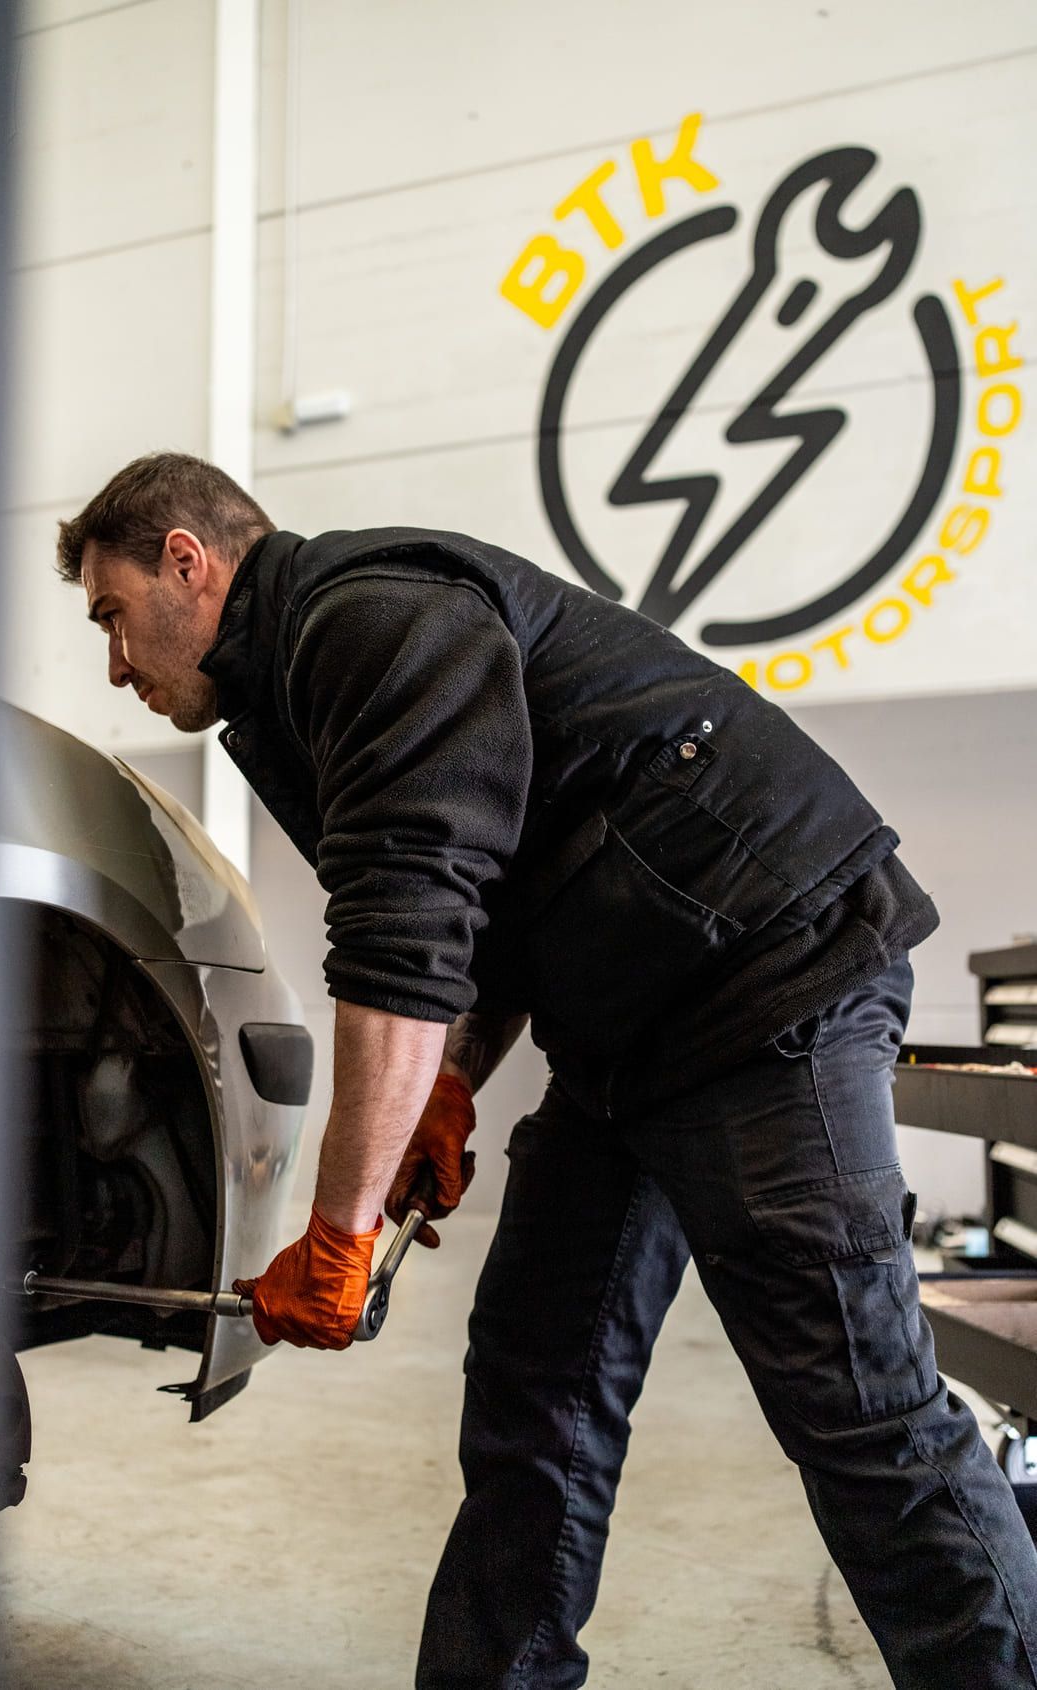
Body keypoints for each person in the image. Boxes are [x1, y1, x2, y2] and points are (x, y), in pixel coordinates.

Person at [57, 451, 1037, 1689]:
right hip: (632, 1032)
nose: (112, 664)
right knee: (535, 1393)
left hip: (767, 983)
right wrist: (451, 1077)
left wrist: (342, 1225)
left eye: (111, 615)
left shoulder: (366, 617)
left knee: (862, 1413)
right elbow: (489, 903)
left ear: (186, 563)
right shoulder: (294, 680)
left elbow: (405, 922)